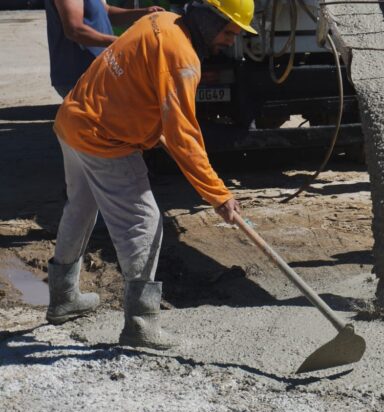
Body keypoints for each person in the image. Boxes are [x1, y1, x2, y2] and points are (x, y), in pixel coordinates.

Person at [45, 0, 258, 350]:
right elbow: (185, 137)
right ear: (208, 18)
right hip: (103, 138)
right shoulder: (183, 59)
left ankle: (63, 297)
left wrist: (153, 127)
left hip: (74, 120)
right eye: (228, 30)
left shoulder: (161, 22)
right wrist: (218, 194)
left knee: (80, 208)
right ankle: (141, 324)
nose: (230, 41)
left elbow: (135, 81)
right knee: (145, 222)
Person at [44, 0, 164, 98]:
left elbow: (106, 11)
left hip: (98, 72)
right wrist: (120, 42)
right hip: (80, 76)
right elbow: (75, 30)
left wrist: (144, 13)